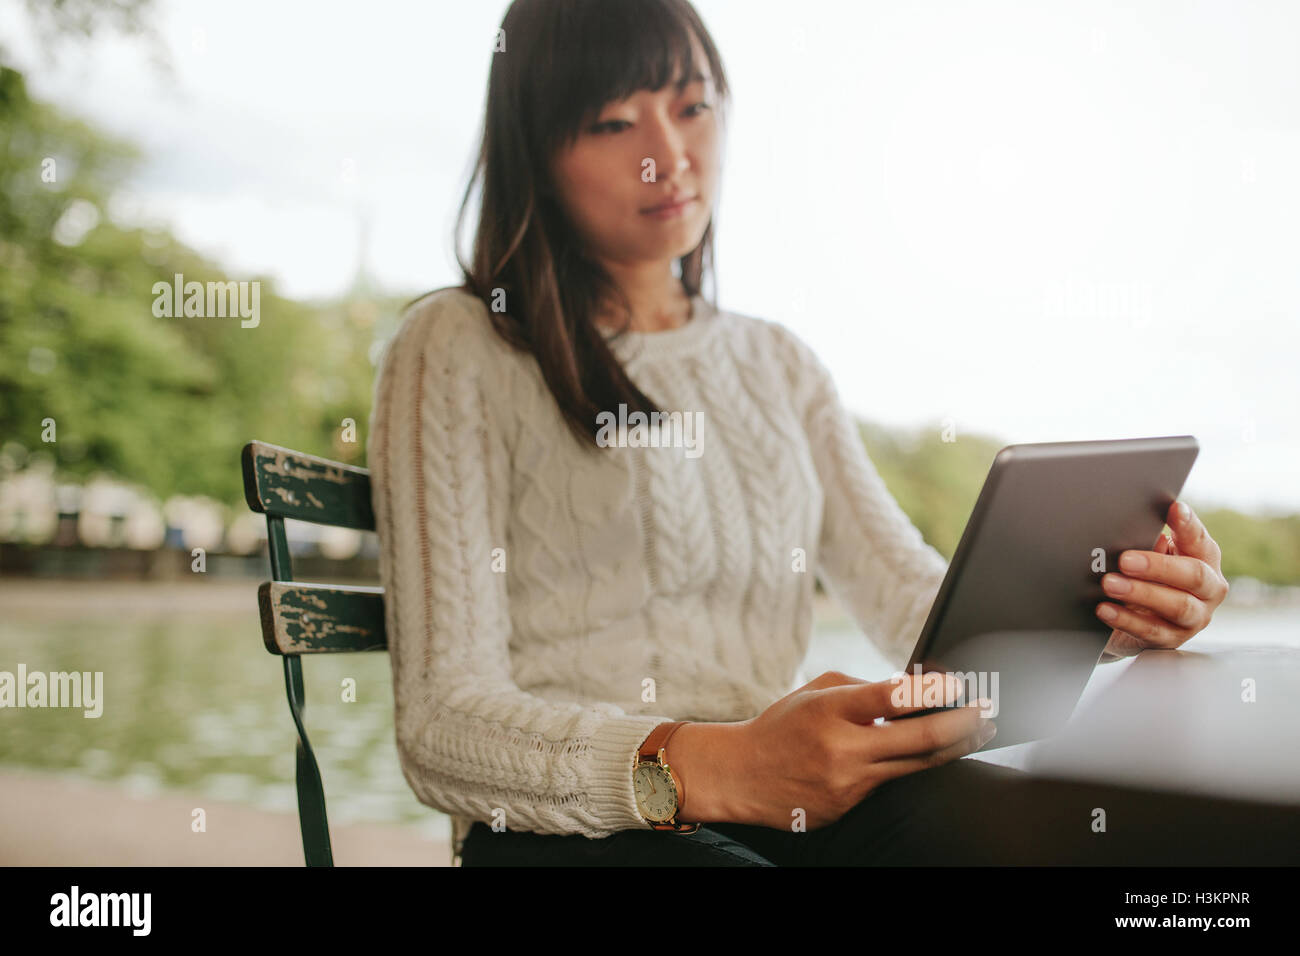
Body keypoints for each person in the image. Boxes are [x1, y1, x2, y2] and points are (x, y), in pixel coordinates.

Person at [366, 0, 1248, 866]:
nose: (667, 158)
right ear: (536, 152)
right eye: (610, 123)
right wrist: (717, 764)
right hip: (561, 830)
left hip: (792, 808)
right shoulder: (458, 346)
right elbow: (442, 722)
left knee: (1081, 840)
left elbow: (912, 600)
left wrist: (1101, 613)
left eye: (692, 107)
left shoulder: (779, 364)